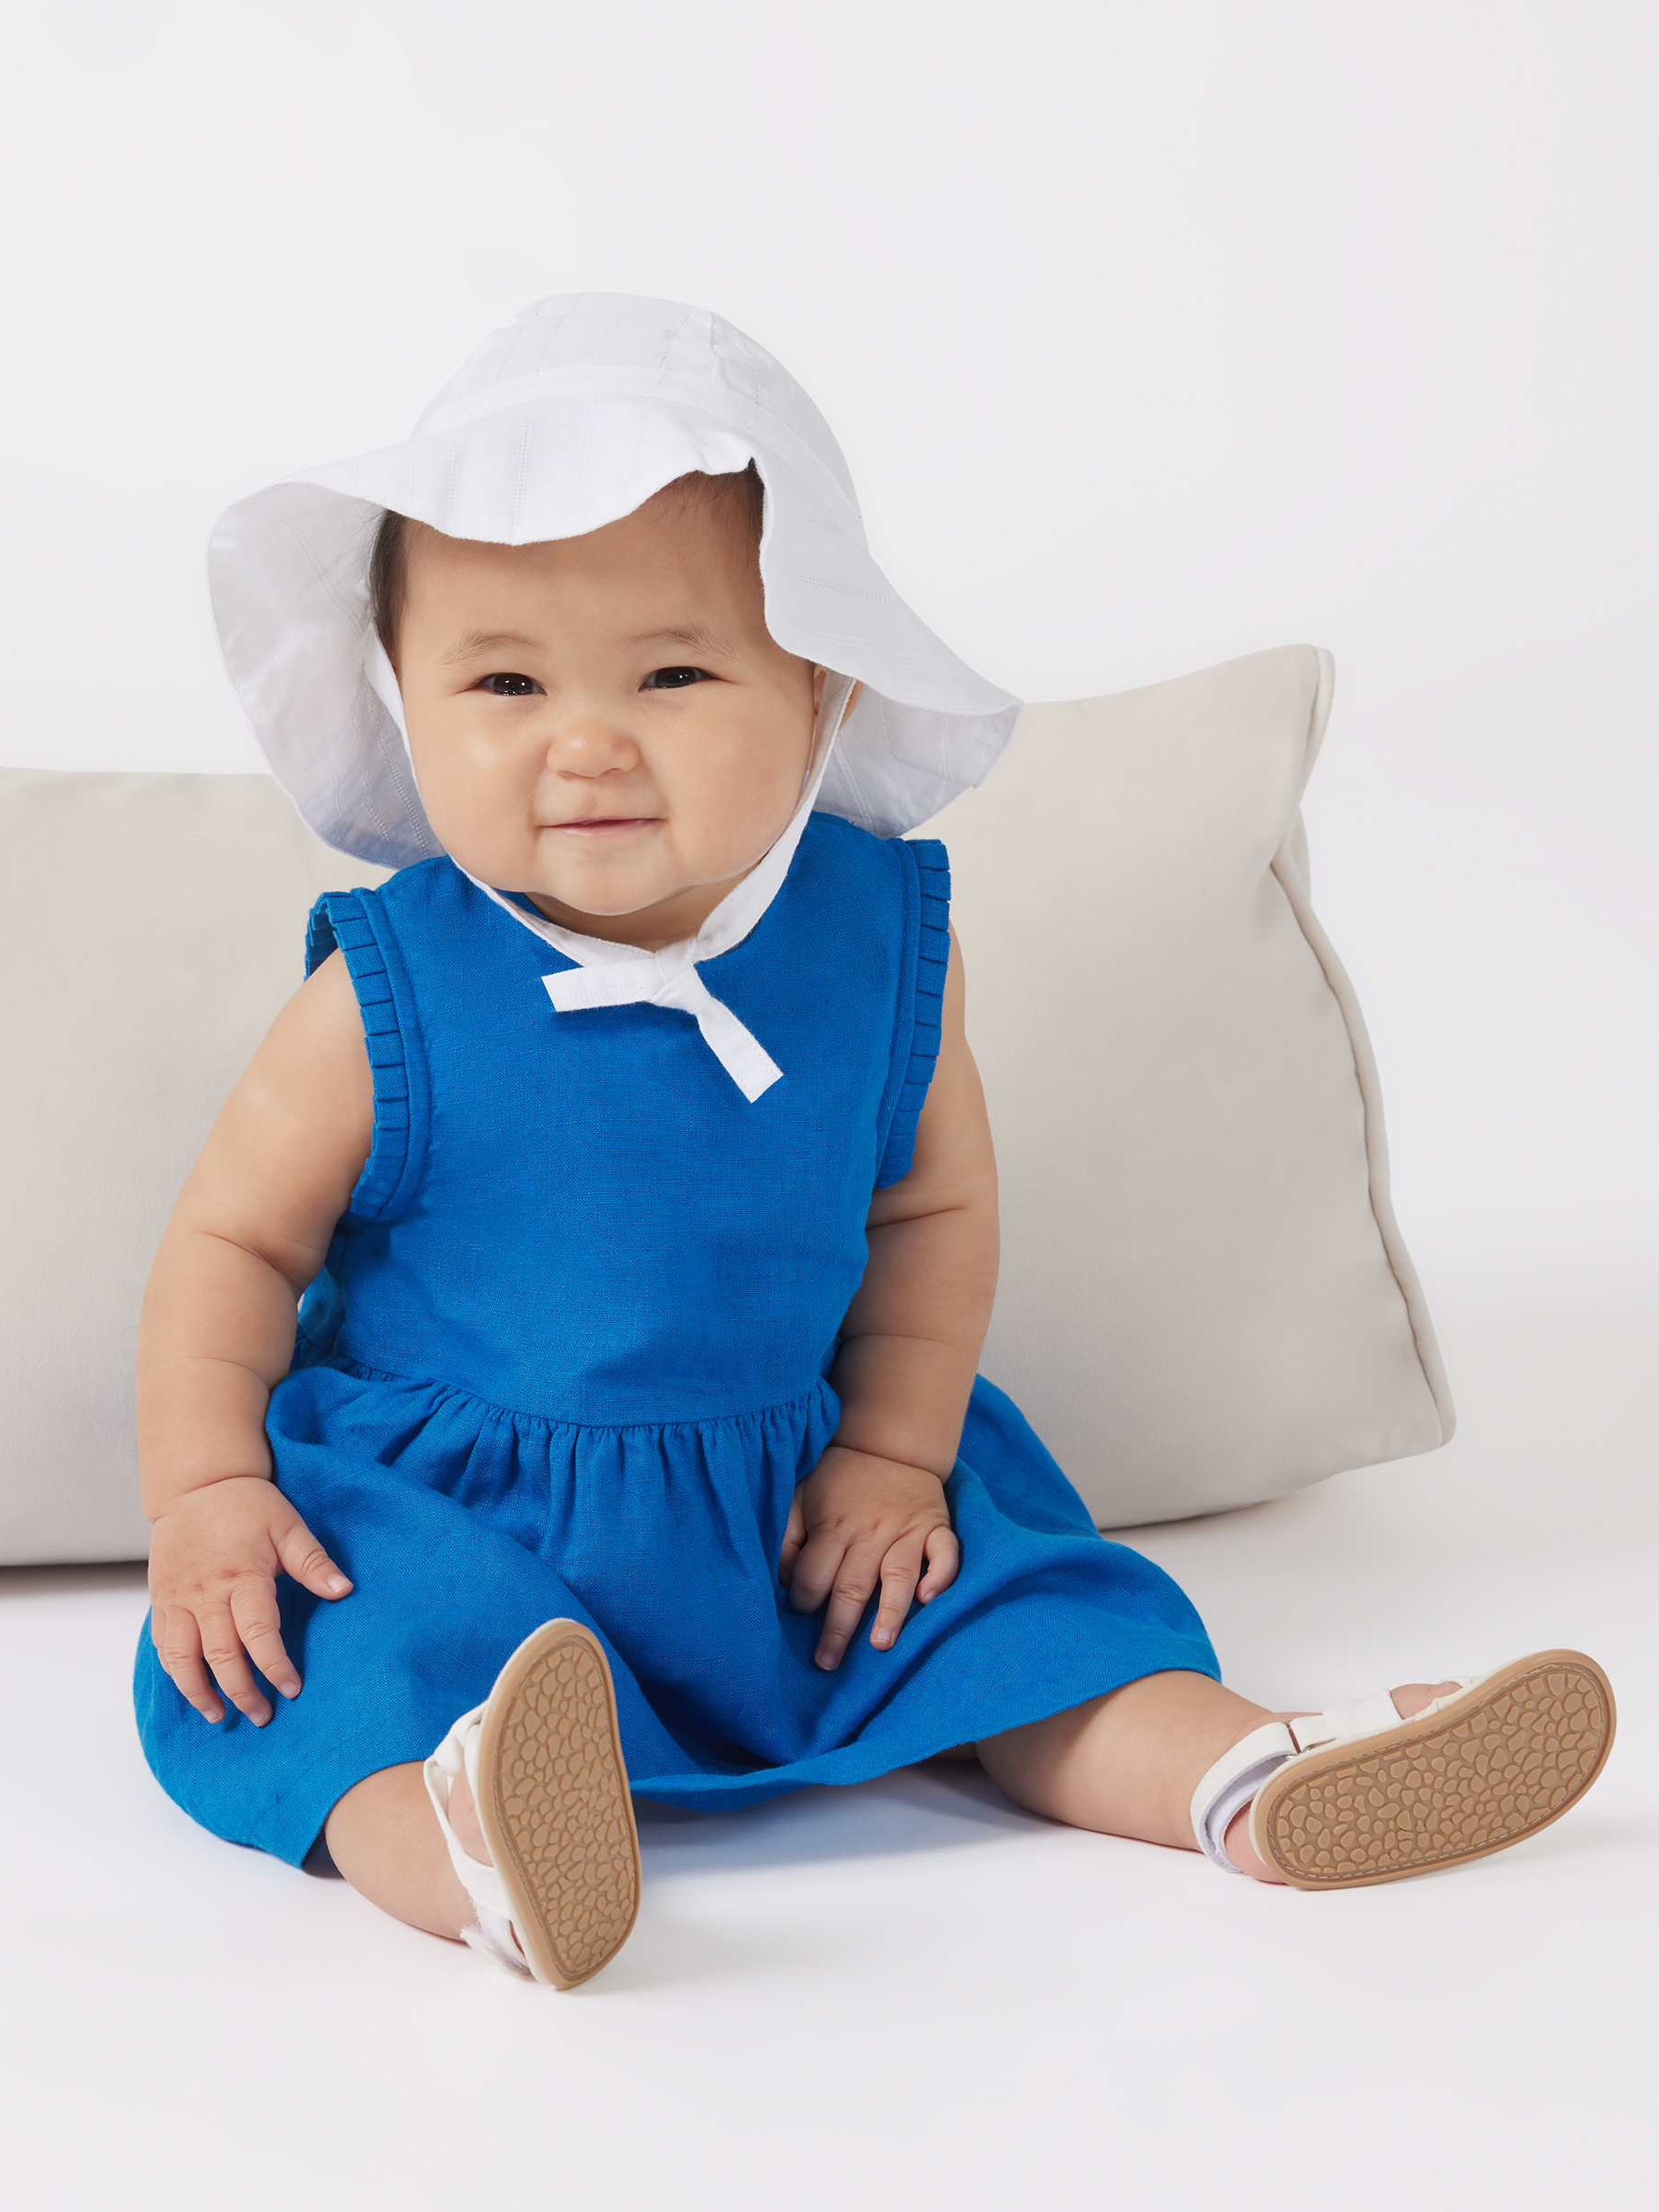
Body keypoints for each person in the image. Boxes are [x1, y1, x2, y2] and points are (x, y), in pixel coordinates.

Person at [133, 295, 1614, 1987]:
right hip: (462, 1502)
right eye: (505, 682)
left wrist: (898, 1453)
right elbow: (231, 1245)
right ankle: (471, 1845)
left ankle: (1242, 1774)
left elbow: (930, 1209)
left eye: (672, 673)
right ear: (405, 698)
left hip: (793, 1504)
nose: (586, 741)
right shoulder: (390, 989)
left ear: (821, 683)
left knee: (1004, 1614)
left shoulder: (874, 940)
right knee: (338, 1666)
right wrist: (209, 1489)